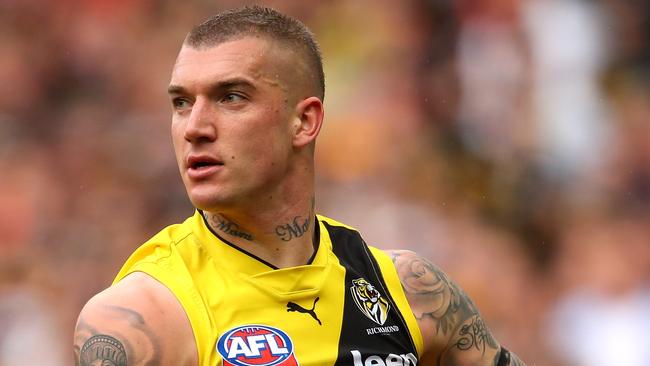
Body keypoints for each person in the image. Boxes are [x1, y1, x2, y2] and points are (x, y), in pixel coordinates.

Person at [73, 6, 527, 366]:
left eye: (231, 97)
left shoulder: (410, 292)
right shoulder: (143, 317)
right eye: (181, 103)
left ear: (304, 121)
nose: (194, 127)